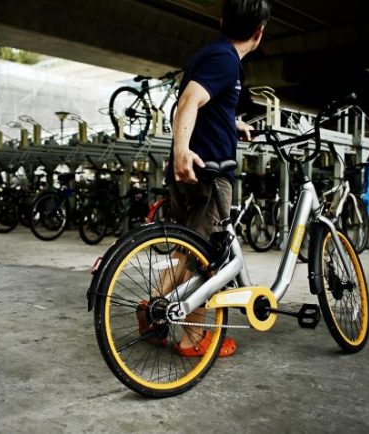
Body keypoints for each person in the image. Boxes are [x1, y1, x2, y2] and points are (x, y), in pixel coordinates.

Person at [143, 0, 271, 358]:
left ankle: (152, 311)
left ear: (221, 20)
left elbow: (207, 104)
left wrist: (234, 123)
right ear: (259, 32)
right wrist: (181, 150)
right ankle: (192, 338)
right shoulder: (225, 59)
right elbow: (188, 101)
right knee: (207, 259)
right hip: (208, 174)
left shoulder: (212, 54)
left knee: (188, 252)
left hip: (189, 173)